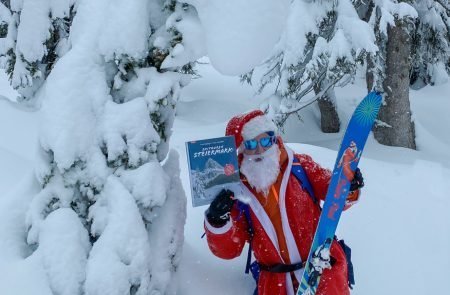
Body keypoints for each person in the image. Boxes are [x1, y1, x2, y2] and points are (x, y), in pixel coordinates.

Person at [203, 110, 364, 295]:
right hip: (276, 284)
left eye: (265, 140)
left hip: (323, 273)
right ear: (240, 150)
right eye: (251, 143)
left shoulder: (299, 166)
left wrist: (347, 186)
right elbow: (230, 249)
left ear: (274, 138)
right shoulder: (236, 193)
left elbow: (332, 196)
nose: (260, 150)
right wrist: (217, 222)